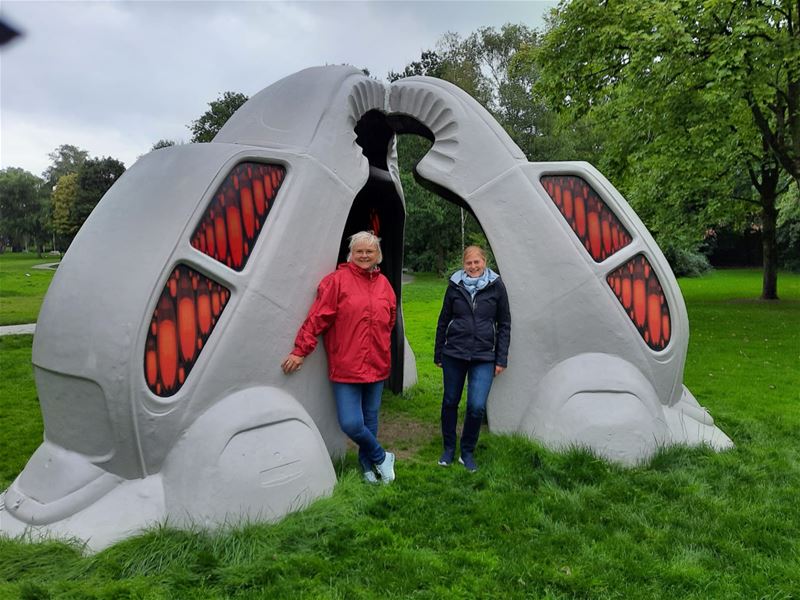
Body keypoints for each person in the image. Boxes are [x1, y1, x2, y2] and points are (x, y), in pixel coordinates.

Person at [282, 231, 397, 484]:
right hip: (347, 364)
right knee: (351, 423)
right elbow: (317, 318)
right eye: (360, 251)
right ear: (351, 254)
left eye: (370, 251)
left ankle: (368, 469)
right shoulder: (336, 282)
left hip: (378, 364)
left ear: (378, 255)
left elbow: (389, 320)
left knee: (370, 419)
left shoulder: (384, 284)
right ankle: (382, 457)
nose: (365, 255)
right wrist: (301, 350)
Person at [434, 245, 511, 472]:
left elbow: (504, 324)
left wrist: (501, 358)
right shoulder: (455, 286)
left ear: (484, 262)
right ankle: (449, 449)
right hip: (454, 353)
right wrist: (438, 352)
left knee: (476, 406)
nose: (473, 267)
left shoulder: (496, 287)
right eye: (469, 263)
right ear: (463, 264)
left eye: (477, 262)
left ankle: (466, 452)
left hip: (484, 356)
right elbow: (443, 319)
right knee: (450, 402)